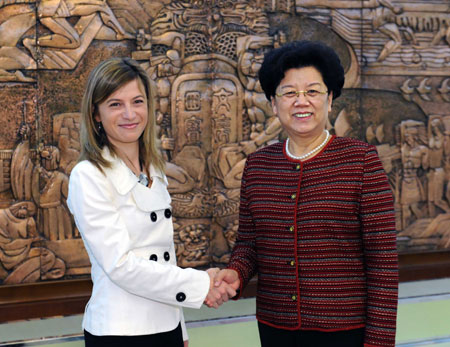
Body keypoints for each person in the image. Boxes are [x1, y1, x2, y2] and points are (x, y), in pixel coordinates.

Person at [214, 40, 399, 347]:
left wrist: (379, 341)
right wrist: (236, 272)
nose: (301, 102)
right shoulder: (258, 166)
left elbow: (382, 262)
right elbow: (249, 243)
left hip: (345, 332)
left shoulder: (361, 160)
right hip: (276, 328)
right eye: (289, 93)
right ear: (274, 104)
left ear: (329, 100)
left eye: (312, 91)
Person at [67, 57, 235, 347]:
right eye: (115, 104)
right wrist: (201, 285)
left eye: (137, 101)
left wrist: (180, 330)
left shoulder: (154, 168)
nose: (130, 114)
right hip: (120, 333)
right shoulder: (88, 175)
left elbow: (164, 254)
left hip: (165, 324)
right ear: (96, 114)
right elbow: (120, 265)